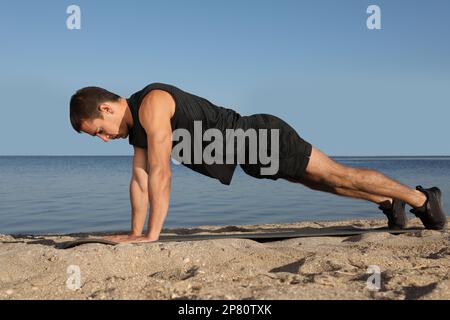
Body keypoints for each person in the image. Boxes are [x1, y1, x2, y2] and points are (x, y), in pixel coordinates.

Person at [69, 82, 447, 243]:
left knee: (335, 173)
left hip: (261, 138)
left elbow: (160, 173)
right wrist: (135, 234)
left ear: (107, 107)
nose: (104, 138)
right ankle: (386, 201)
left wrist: (152, 236)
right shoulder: (136, 131)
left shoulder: (151, 105)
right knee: (320, 183)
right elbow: (139, 181)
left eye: (99, 130)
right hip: (250, 154)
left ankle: (421, 199)